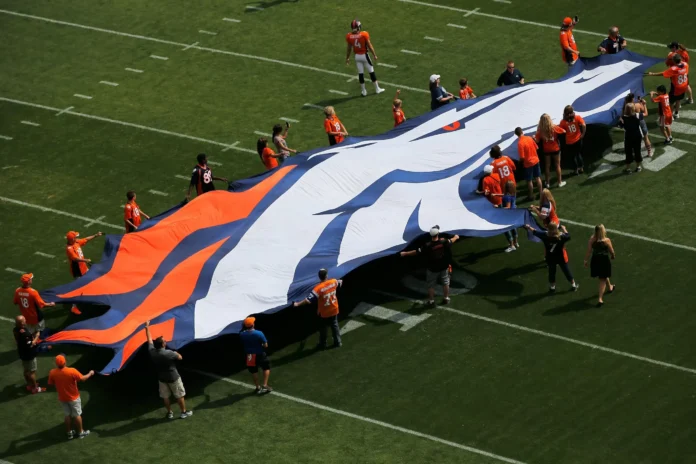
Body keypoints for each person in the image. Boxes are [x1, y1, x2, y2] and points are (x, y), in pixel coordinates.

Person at [399, 226, 460, 306]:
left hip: (432, 268)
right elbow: (451, 241)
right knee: (445, 283)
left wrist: (405, 253)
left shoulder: (427, 245)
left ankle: (431, 301)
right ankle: (446, 298)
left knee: (431, 285)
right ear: (438, 233)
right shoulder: (443, 241)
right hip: (444, 266)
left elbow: (417, 252)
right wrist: (456, 237)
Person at [145, 320, 192, 419]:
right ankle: (183, 412)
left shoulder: (152, 352)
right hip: (173, 377)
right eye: (164, 341)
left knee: (165, 397)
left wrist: (147, 327)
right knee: (179, 395)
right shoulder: (168, 353)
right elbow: (180, 357)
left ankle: (170, 413)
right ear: (163, 344)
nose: (166, 342)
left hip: (162, 378)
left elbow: (149, 340)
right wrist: (176, 352)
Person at [47, 354, 94, 440]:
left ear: (56, 364)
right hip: (74, 398)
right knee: (77, 415)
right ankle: (81, 432)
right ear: (65, 362)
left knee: (67, 415)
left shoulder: (52, 372)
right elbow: (83, 379)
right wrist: (90, 373)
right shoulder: (71, 371)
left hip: (62, 398)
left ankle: (69, 433)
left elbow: (50, 383)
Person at [294, 269, 343, 349]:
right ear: (326, 275)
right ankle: (338, 342)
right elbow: (340, 282)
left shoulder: (318, 288)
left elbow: (308, 300)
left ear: (319, 277)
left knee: (323, 328)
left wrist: (297, 304)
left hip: (324, 312)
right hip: (334, 308)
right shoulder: (333, 281)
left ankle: (323, 344)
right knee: (334, 325)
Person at [524, 223, 579, 293]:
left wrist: (529, 227)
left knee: (552, 272)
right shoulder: (561, 236)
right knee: (566, 271)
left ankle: (552, 288)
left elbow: (535, 231)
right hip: (561, 257)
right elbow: (568, 236)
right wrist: (564, 228)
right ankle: (573, 285)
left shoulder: (544, 235)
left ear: (548, 228)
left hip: (550, 258)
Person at [66, 230, 103, 315]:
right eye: (75, 237)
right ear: (72, 239)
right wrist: (85, 260)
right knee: (78, 289)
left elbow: (85, 239)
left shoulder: (76, 242)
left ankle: (94, 295)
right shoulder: (69, 249)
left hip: (84, 268)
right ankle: (74, 307)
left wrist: (96, 235)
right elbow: (75, 258)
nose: (77, 238)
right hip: (77, 271)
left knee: (93, 279)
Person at [345, 19, 384, 96]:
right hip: (364, 55)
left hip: (357, 57)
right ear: (359, 27)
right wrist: (374, 55)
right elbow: (369, 46)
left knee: (361, 74)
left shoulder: (349, 36)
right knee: (371, 72)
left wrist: (347, 58)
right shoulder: (364, 34)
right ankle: (377, 89)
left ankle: (363, 91)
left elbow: (349, 48)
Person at [645, 53, 689, 119]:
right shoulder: (686, 64)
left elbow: (663, 74)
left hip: (676, 88)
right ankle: (676, 113)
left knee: (671, 102)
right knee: (678, 100)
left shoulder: (673, 69)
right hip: (684, 86)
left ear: (674, 61)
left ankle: (671, 116)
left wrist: (653, 74)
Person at [584, 224, 616, 307]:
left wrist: (585, 260)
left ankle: (610, 287)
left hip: (595, 260)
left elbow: (589, 251)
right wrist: (613, 256)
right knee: (602, 279)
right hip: (604, 260)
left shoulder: (592, 239)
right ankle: (600, 299)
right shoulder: (606, 240)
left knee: (603, 275)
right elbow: (611, 251)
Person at [13, 315, 46, 394]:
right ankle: (35, 388)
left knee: (26, 370)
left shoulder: (15, 329)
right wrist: (37, 336)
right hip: (29, 354)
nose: (25, 320)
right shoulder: (25, 334)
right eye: (24, 320)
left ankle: (29, 385)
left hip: (22, 353)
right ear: (22, 323)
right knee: (32, 372)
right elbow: (31, 344)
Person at [239, 317, 272, 394]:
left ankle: (257, 387)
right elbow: (265, 345)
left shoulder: (242, 334)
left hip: (250, 355)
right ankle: (265, 384)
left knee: (254, 371)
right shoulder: (259, 333)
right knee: (266, 368)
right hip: (260, 354)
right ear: (253, 324)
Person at [535, 114, 566, 188]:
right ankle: (559, 182)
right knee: (557, 165)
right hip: (555, 148)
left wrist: (534, 137)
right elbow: (564, 131)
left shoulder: (540, 130)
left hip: (546, 150)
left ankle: (547, 183)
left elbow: (537, 140)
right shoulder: (554, 127)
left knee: (547, 166)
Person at [515, 127, 542, 202]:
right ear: (522, 131)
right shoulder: (529, 138)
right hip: (536, 160)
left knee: (529, 180)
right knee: (538, 178)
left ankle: (531, 196)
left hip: (528, 163)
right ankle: (541, 193)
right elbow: (536, 147)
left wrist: (519, 162)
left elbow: (522, 157)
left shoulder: (520, 143)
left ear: (516, 134)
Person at [492, 181, 520, 252]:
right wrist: (496, 194)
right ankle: (516, 242)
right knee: (514, 228)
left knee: (506, 229)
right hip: (514, 213)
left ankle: (512, 246)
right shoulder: (513, 193)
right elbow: (504, 195)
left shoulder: (507, 197)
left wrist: (498, 208)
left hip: (508, 214)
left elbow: (508, 207)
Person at [558, 105, 586, 176]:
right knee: (578, 154)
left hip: (570, 142)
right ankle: (581, 168)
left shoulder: (563, 122)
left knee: (572, 157)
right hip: (578, 139)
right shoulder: (577, 117)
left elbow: (560, 130)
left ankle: (575, 170)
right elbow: (583, 125)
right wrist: (583, 134)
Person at [622, 103, 644, 173]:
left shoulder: (623, 118)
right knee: (637, 151)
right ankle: (638, 167)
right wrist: (644, 105)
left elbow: (620, 125)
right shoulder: (638, 115)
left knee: (628, 152)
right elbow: (645, 114)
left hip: (628, 136)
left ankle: (628, 169)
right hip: (637, 136)